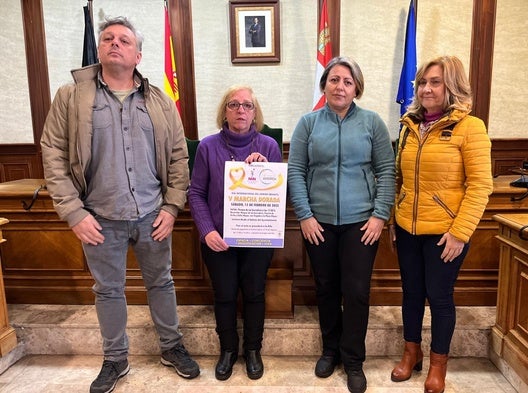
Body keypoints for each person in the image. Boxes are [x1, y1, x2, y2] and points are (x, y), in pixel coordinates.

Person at [40, 16, 200, 393]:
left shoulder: (160, 100)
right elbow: (53, 155)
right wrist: (74, 213)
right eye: (108, 38)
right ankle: (115, 359)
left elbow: (179, 157)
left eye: (124, 40)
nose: (115, 43)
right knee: (108, 290)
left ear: (138, 54)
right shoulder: (71, 96)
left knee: (161, 282)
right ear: (99, 50)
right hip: (99, 218)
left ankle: (171, 347)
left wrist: (171, 207)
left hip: (152, 215)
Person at [287, 56, 396, 393]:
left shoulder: (373, 123)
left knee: (357, 292)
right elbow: (295, 171)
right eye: (334, 80)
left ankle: (353, 360)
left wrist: (379, 215)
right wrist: (304, 215)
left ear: (356, 88)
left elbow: (387, 171)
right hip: (317, 223)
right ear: (325, 85)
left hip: (361, 224)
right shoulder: (308, 123)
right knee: (326, 289)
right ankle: (330, 349)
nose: (340, 86)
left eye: (347, 81)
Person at [389, 55, 493, 393]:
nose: (426, 89)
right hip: (407, 230)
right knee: (412, 295)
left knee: (440, 297)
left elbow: (481, 186)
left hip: (446, 235)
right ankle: (411, 353)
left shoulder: (470, 127)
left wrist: (460, 233)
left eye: (435, 82)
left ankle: (437, 366)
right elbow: (399, 179)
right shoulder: (408, 126)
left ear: (453, 86)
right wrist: (394, 218)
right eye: (422, 82)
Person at [188, 85, 282, 381]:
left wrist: (267, 173)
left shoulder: (268, 146)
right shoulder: (207, 146)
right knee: (225, 295)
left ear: (255, 113)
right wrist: (206, 231)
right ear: (224, 112)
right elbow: (196, 193)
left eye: (247, 105)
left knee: (254, 293)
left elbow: (280, 195)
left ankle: (253, 350)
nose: (241, 110)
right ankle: (228, 349)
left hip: (258, 238)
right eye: (234, 105)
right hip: (219, 239)